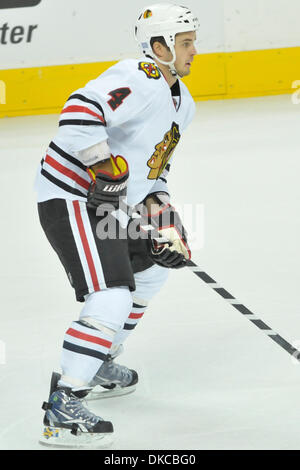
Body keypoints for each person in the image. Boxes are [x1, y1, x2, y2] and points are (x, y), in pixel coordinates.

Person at [36, 3, 199, 446]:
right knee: (111, 294)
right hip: (70, 196)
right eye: (185, 43)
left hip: (110, 205)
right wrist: (103, 168)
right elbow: (76, 113)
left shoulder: (183, 105)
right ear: (159, 46)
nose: (192, 51)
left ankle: (98, 358)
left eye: (192, 43)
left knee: (151, 269)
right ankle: (63, 407)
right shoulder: (137, 77)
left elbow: (153, 176)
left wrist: (164, 220)